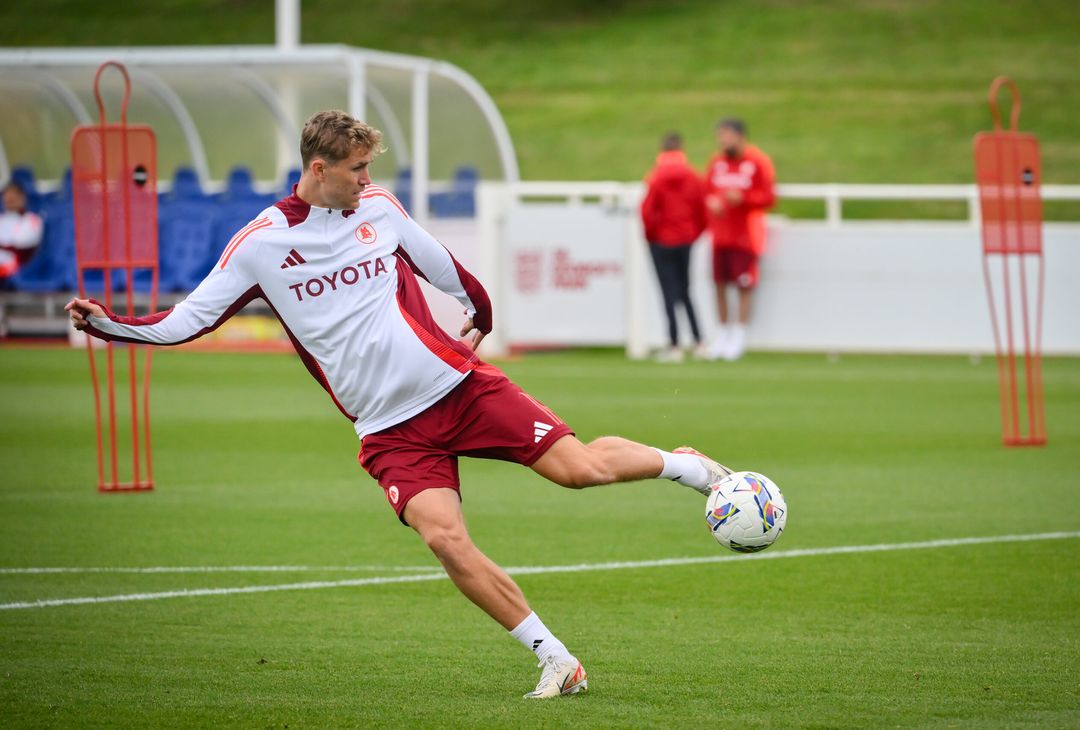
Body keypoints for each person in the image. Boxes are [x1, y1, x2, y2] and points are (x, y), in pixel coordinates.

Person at [66, 110, 735, 700]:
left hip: (458, 387)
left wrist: (481, 313)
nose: (366, 180)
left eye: (369, 168)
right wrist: (108, 323)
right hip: (391, 431)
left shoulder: (380, 211)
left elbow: (444, 267)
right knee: (447, 541)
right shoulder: (261, 245)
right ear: (319, 168)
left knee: (579, 470)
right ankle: (557, 659)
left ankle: (691, 469)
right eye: (357, 169)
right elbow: (190, 320)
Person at [703, 118, 775, 361]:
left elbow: (768, 197)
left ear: (740, 136)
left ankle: (739, 335)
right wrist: (711, 203)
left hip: (746, 237)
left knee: (744, 287)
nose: (724, 141)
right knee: (719, 286)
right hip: (720, 236)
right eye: (720, 136)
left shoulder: (757, 162)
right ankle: (722, 333)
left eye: (727, 136)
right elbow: (706, 192)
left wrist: (743, 198)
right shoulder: (717, 163)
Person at [640, 132, 707, 363]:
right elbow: (702, 208)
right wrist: (693, 234)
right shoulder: (692, 175)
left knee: (667, 292)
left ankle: (674, 344)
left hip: (661, 241)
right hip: (685, 240)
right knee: (686, 290)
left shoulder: (656, 177)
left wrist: (651, 237)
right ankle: (699, 341)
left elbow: (647, 211)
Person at [0, 181, 44, 283]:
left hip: (16, 268)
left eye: (14, 195)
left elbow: (24, 247)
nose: (10, 199)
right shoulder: (2, 220)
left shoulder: (32, 220)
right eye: (7, 196)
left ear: (22, 197)